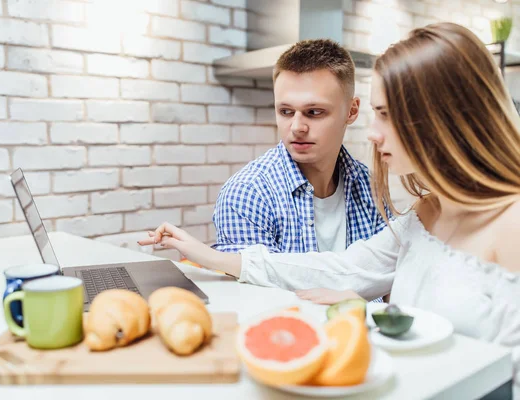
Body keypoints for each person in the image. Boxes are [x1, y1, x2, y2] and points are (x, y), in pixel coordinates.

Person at [140, 23, 520, 395]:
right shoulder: (429, 210)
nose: (373, 133)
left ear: (443, 119)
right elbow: (345, 270)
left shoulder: (510, 225)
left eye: (385, 114)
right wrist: (213, 257)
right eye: (285, 111)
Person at [212, 39, 390, 256]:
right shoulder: (248, 194)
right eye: (286, 112)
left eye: (314, 112)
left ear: (351, 111)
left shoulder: (370, 187)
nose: (297, 128)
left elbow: (390, 274)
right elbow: (258, 288)